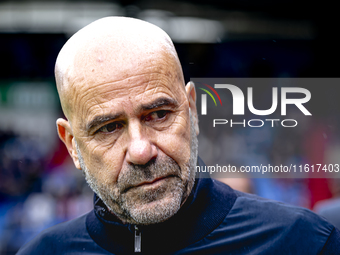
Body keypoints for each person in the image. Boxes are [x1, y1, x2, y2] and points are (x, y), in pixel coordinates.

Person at [17, 16, 339, 254]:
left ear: (192, 110)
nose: (141, 151)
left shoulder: (303, 242)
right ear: (72, 145)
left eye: (158, 115)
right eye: (109, 127)